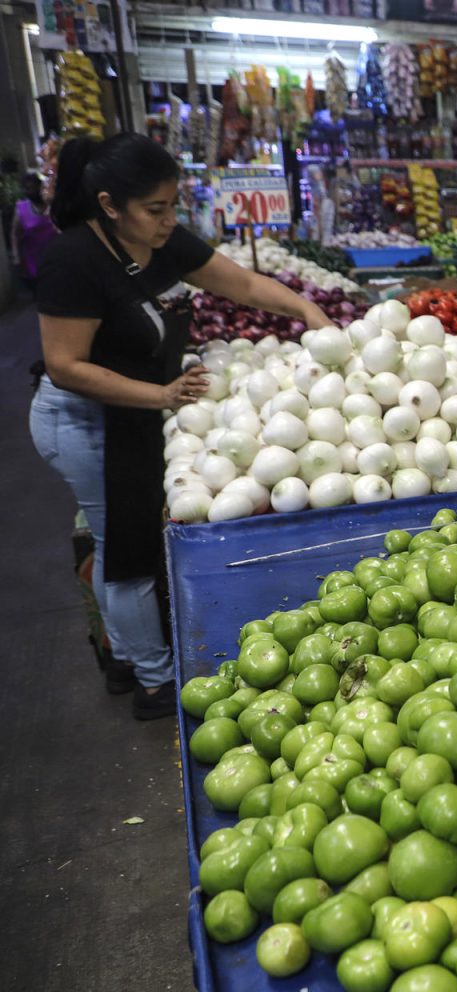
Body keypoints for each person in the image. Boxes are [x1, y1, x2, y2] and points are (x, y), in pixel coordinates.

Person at [30, 134, 330, 720]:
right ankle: (153, 682)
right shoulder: (74, 259)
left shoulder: (162, 241)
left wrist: (307, 313)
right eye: (155, 209)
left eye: (174, 206)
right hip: (87, 420)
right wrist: (162, 394)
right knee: (126, 547)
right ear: (110, 205)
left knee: (122, 537)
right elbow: (66, 366)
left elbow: (240, 283)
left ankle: (125, 655)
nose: (169, 221)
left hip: (141, 411)